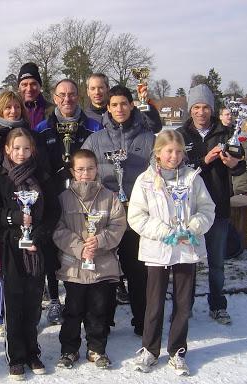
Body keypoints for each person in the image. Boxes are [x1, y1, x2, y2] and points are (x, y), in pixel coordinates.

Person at [128, 130, 215, 377]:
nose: (174, 156)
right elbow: (136, 215)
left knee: (183, 303)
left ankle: (177, 350)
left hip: (186, 249)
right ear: (158, 152)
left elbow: (207, 209)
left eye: (178, 152)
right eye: (169, 151)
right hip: (158, 249)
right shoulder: (145, 180)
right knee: (153, 303)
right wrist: (163, 230)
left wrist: (192, 228)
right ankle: (150, 349)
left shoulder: (193, 178)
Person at [82, 85, 160, 336]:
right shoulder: (96, 139)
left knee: (139, 270)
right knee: (105, 271)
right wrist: (99, 196)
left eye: (124, 104)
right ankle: (103, 321)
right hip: (106, 217)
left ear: (132, 105)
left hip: (137, 216)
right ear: (108, 107)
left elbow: (157, 177)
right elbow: (83, 175)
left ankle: (142, 320)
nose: (119, 109)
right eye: (114, 105)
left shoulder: (149, 139)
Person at [0, 128, 59, 380]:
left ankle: (32, 351)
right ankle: (16, 355)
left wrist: (38, 236)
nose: (21, 153)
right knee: (14, 302)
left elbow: (53, 211)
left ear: (32, 150)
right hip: (10, 248)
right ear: (7, 149)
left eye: (26, 148)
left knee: (33, 302)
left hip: (36, 249)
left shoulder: (42, 175)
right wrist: (13, 217)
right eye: (16, 148)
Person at [36, 78, 102, 325]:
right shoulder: (43, 128)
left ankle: (85, 297)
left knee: (85, 245)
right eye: (62, 95)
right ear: (54, 98)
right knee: (54, 249)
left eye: (72, 94)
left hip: (87, 200)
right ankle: (54, 300)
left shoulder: (94, 127)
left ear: (79, 96)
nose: (67, 99)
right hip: (54, 198)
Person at [54, 149, 126, 370]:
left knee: (98, 309)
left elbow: (118, 224)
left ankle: (97, 348)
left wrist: (101, 241)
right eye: (81, 169)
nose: (86, 173)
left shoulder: (109, 197)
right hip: (74, 266)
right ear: (73, 172)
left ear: (97, 169)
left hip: (102, 266)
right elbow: (58, 229)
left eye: (90, 168)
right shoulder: (63, 199)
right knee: (73, 310)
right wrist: (79, 248)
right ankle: (69, 349)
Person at [177, 84, 243, 325]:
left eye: (205, 107)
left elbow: (242, 165)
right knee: (188, 262)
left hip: (218, 206)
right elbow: (177, 169)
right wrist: (204, 161)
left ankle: (217, 304)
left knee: (216, 262)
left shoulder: (225, 132)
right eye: (196, 107)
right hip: (188, 209)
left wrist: (233, 164)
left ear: (212, 109)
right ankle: (185, 305)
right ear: (190, 109)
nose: (201, 112)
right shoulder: (181, 135)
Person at [0, 62, 54, 131]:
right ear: (19, 87)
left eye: (33, 84)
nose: (29, 89)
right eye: (24, 85)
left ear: (40, 86)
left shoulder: (52, 111)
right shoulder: (2, 108)